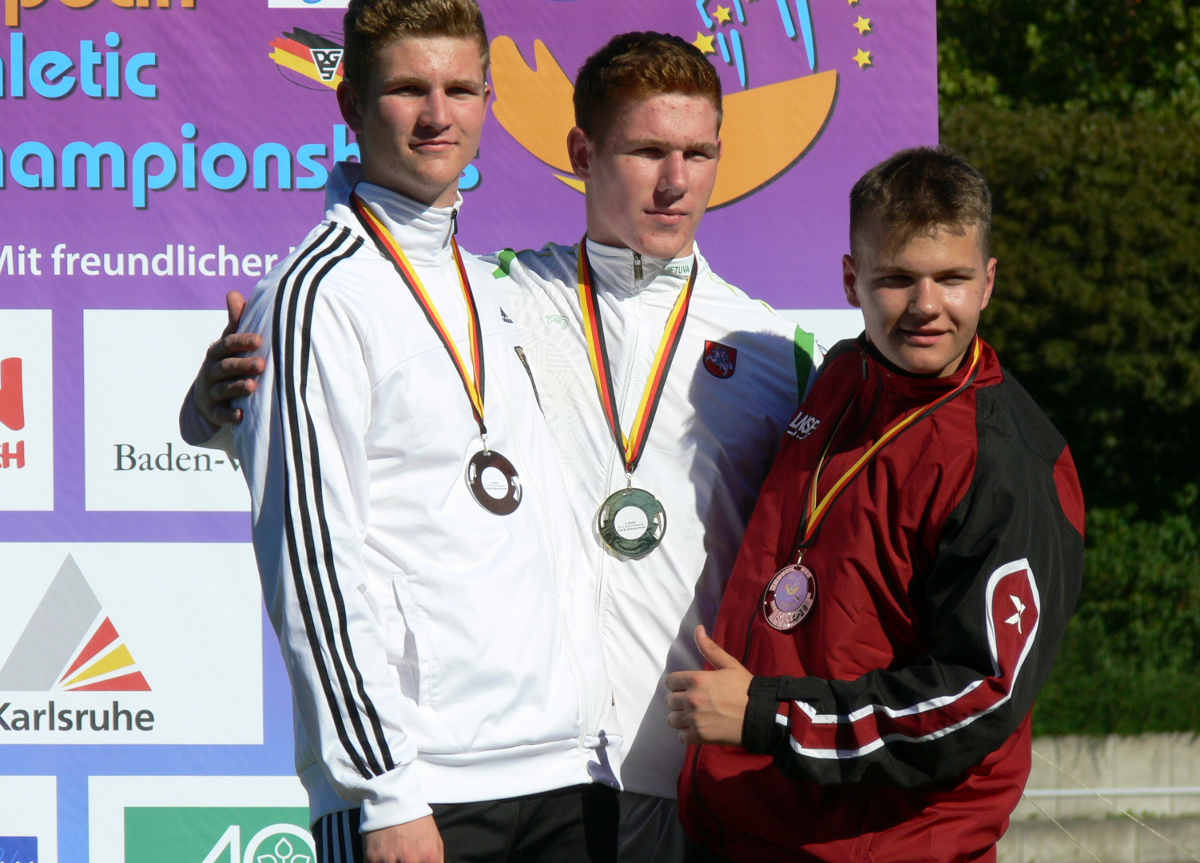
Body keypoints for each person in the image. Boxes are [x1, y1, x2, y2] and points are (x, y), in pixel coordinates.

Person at [182, 32, 817, 863]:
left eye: (698, 154)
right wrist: (212, 404)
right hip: (554, 773)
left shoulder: (771, 348)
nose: (675, 181)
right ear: (582, 153)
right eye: (647, 151)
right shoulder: (502, 295)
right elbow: (332, 431)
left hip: (691, 780)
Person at [202, 2, 623, 861]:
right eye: (407, 89)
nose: (438, 115)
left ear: (488, 99)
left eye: (460, 89)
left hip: (564, 771)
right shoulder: (316, 296)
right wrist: (382, 790)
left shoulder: (497, 287)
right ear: (351, 103)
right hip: (418, 789)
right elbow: (313, 566)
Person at [666, 147, 1085, 863]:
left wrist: (773, 716)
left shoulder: (1009, 463)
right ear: (850, 280)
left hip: (887, 846)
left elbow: (978, 696)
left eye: (952, 278)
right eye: (896, 279)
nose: (926, 306)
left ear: (988, 282)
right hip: (755, 830)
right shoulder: (840, 375)